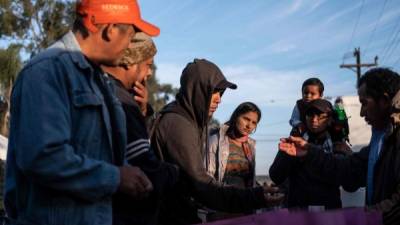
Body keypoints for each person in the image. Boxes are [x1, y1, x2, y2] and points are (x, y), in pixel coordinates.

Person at [4, 1, 160, 224]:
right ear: (111, 29)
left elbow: (95, 153)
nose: (129, 44)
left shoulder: (98, 81)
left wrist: (127, 173)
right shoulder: (46, 72)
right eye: (130, 34)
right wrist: (116, 178)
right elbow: (43, 158)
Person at [151, 59, 284, 225]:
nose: (218, 99)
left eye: (221, 93)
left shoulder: (190, 122)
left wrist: (254, 193)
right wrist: (255, 197)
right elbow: (200, 183)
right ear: (198, 89)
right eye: (214, 91)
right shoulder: (179, 125)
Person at [279, 68, 400, 225]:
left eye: (364, 103)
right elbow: (351, 170)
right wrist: (309, 152)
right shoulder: (381, 138)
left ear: (384, 101)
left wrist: (362, 218)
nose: (362, 113)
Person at [102, 32, 179, 225]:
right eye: (148, 65)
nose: (150, 73)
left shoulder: (101, 88)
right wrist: (175, 173)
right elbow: (145, 170)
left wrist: (143, 111)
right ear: (130, 61)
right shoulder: (121, 100)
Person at [270, 99, 352, 210]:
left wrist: (342, 152)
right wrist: (288, 155)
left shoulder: (338, 145)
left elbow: (350, 184)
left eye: (320, 116)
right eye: (310, 115)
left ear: (329, 119)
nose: (314, 120)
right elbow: (276, 176)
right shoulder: (294, 142)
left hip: (329, 214)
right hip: (299, 213)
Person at [206, 102, 262, 220]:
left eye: (254, 123)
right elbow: (207, 175)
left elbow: (250, 180)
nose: (249, 125)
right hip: (221, 206)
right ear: (236, 116)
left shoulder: (250, 146)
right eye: (246, 119)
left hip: (244, 208)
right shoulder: (217, 139)